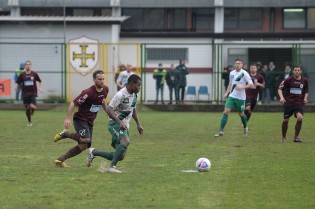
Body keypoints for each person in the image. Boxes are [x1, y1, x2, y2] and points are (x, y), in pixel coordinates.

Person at [86, 74, 144, 173]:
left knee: (120, 156)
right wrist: (119, 122)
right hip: (114, 123)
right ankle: (111, 168)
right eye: (138, 85)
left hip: (124, 125)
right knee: (126, 142)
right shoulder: (120, 94)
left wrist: (138, 124)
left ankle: (94, 152)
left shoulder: (135, 94)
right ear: (132, 84)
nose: (139, 87)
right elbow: (109, 109)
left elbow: (132, 109)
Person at [52, 70, 109, 168]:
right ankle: (66, 134)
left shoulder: (105, 89)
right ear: (94, 80)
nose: (102, 81)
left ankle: (60, 160)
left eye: (103, 79)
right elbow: (73, 103)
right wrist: (68, 118)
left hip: (90, 121)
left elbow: (103, 100)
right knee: (86, 139)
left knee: (84, 145)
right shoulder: (88, 92)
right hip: (80, 119)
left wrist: (107, 112)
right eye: (100, 79)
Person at [214, 58, 253, 137]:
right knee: (226, 111)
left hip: (241, 98)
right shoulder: (231, 73)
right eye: (236, 63)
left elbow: (251, 84)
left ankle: (245, 128)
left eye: (239, 63)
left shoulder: (244, 73)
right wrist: (226, 93)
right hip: (232, 96)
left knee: (241, 114)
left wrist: (242, 88)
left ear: (242, 65)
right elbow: (230, 84)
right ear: (234, 64)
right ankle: (221, 131)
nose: (237, 65)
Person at [278, 65, 308, 143]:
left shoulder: (304, 80)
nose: (297, 72)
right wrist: (282, 98)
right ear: (293, 71)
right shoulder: (288, 80)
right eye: (295, 70)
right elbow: (280, 89)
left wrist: (305, 98)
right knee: (285, 121)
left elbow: (306, 91)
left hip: (299, 103)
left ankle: (296, 137)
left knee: (300, 118)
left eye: (298, 70)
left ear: (301, 71)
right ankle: (283, 137)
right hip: (288, 103)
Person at [15, 60, 43, 127]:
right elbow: (17, 82)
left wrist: (40, 88)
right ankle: (29, 121)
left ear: (31, 65)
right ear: (25, 66)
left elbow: (40, 81)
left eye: (29, 64)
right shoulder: (22, 75)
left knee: (33, 106)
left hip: (33, 93)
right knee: (27, 108)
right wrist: (16, 87)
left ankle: (32, 111)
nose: (28, 65)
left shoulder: (34, 74)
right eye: (26, 64)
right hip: (25, 94)